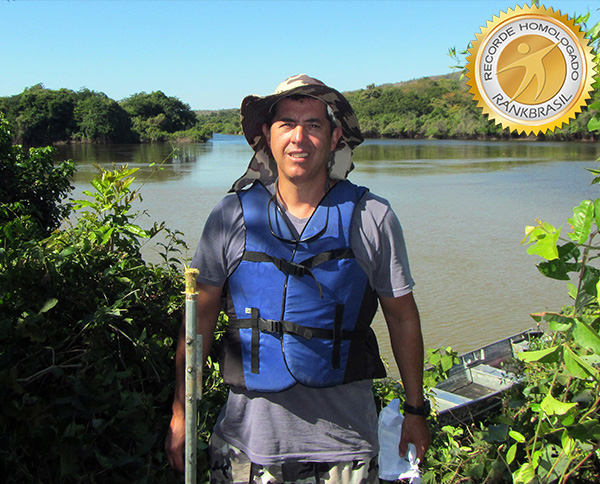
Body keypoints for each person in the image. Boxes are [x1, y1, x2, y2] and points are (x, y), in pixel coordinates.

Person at [166, 74, 431, 483]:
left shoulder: (373, 216)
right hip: (246, 449)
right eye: (286, 123)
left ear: (334, 136)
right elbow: (197, 320)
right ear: (266, 136)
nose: (299, 138)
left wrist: (416, 411)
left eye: (313, 125)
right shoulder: (229, 215)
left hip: (348, 450)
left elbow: (402, 318)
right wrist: (182, 412)